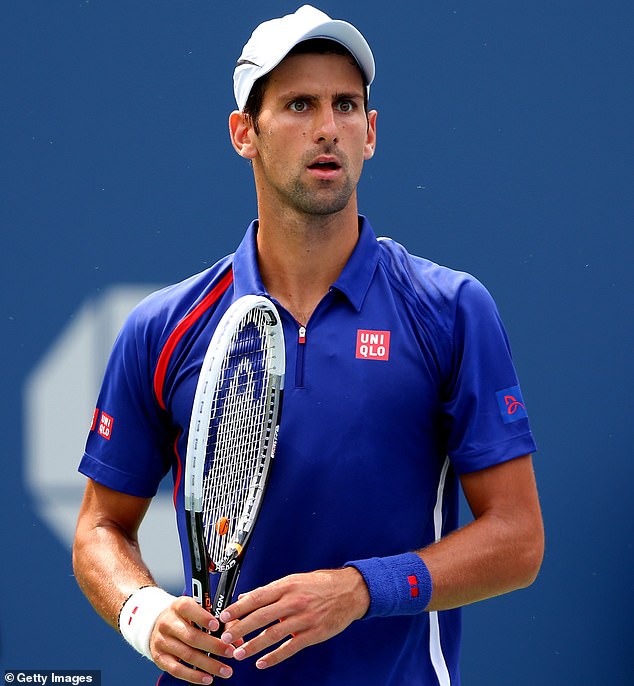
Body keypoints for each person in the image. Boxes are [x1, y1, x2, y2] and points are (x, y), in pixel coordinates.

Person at [73, 5, 544, 685]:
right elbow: (99, 527)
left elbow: (519, 540)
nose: (328, 128)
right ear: (245, 134)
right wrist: (142, 611)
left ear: (371, 132)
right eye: (298, 104)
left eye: (346, 106)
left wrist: (359, 590)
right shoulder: (163, 327)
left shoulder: (450, 311)